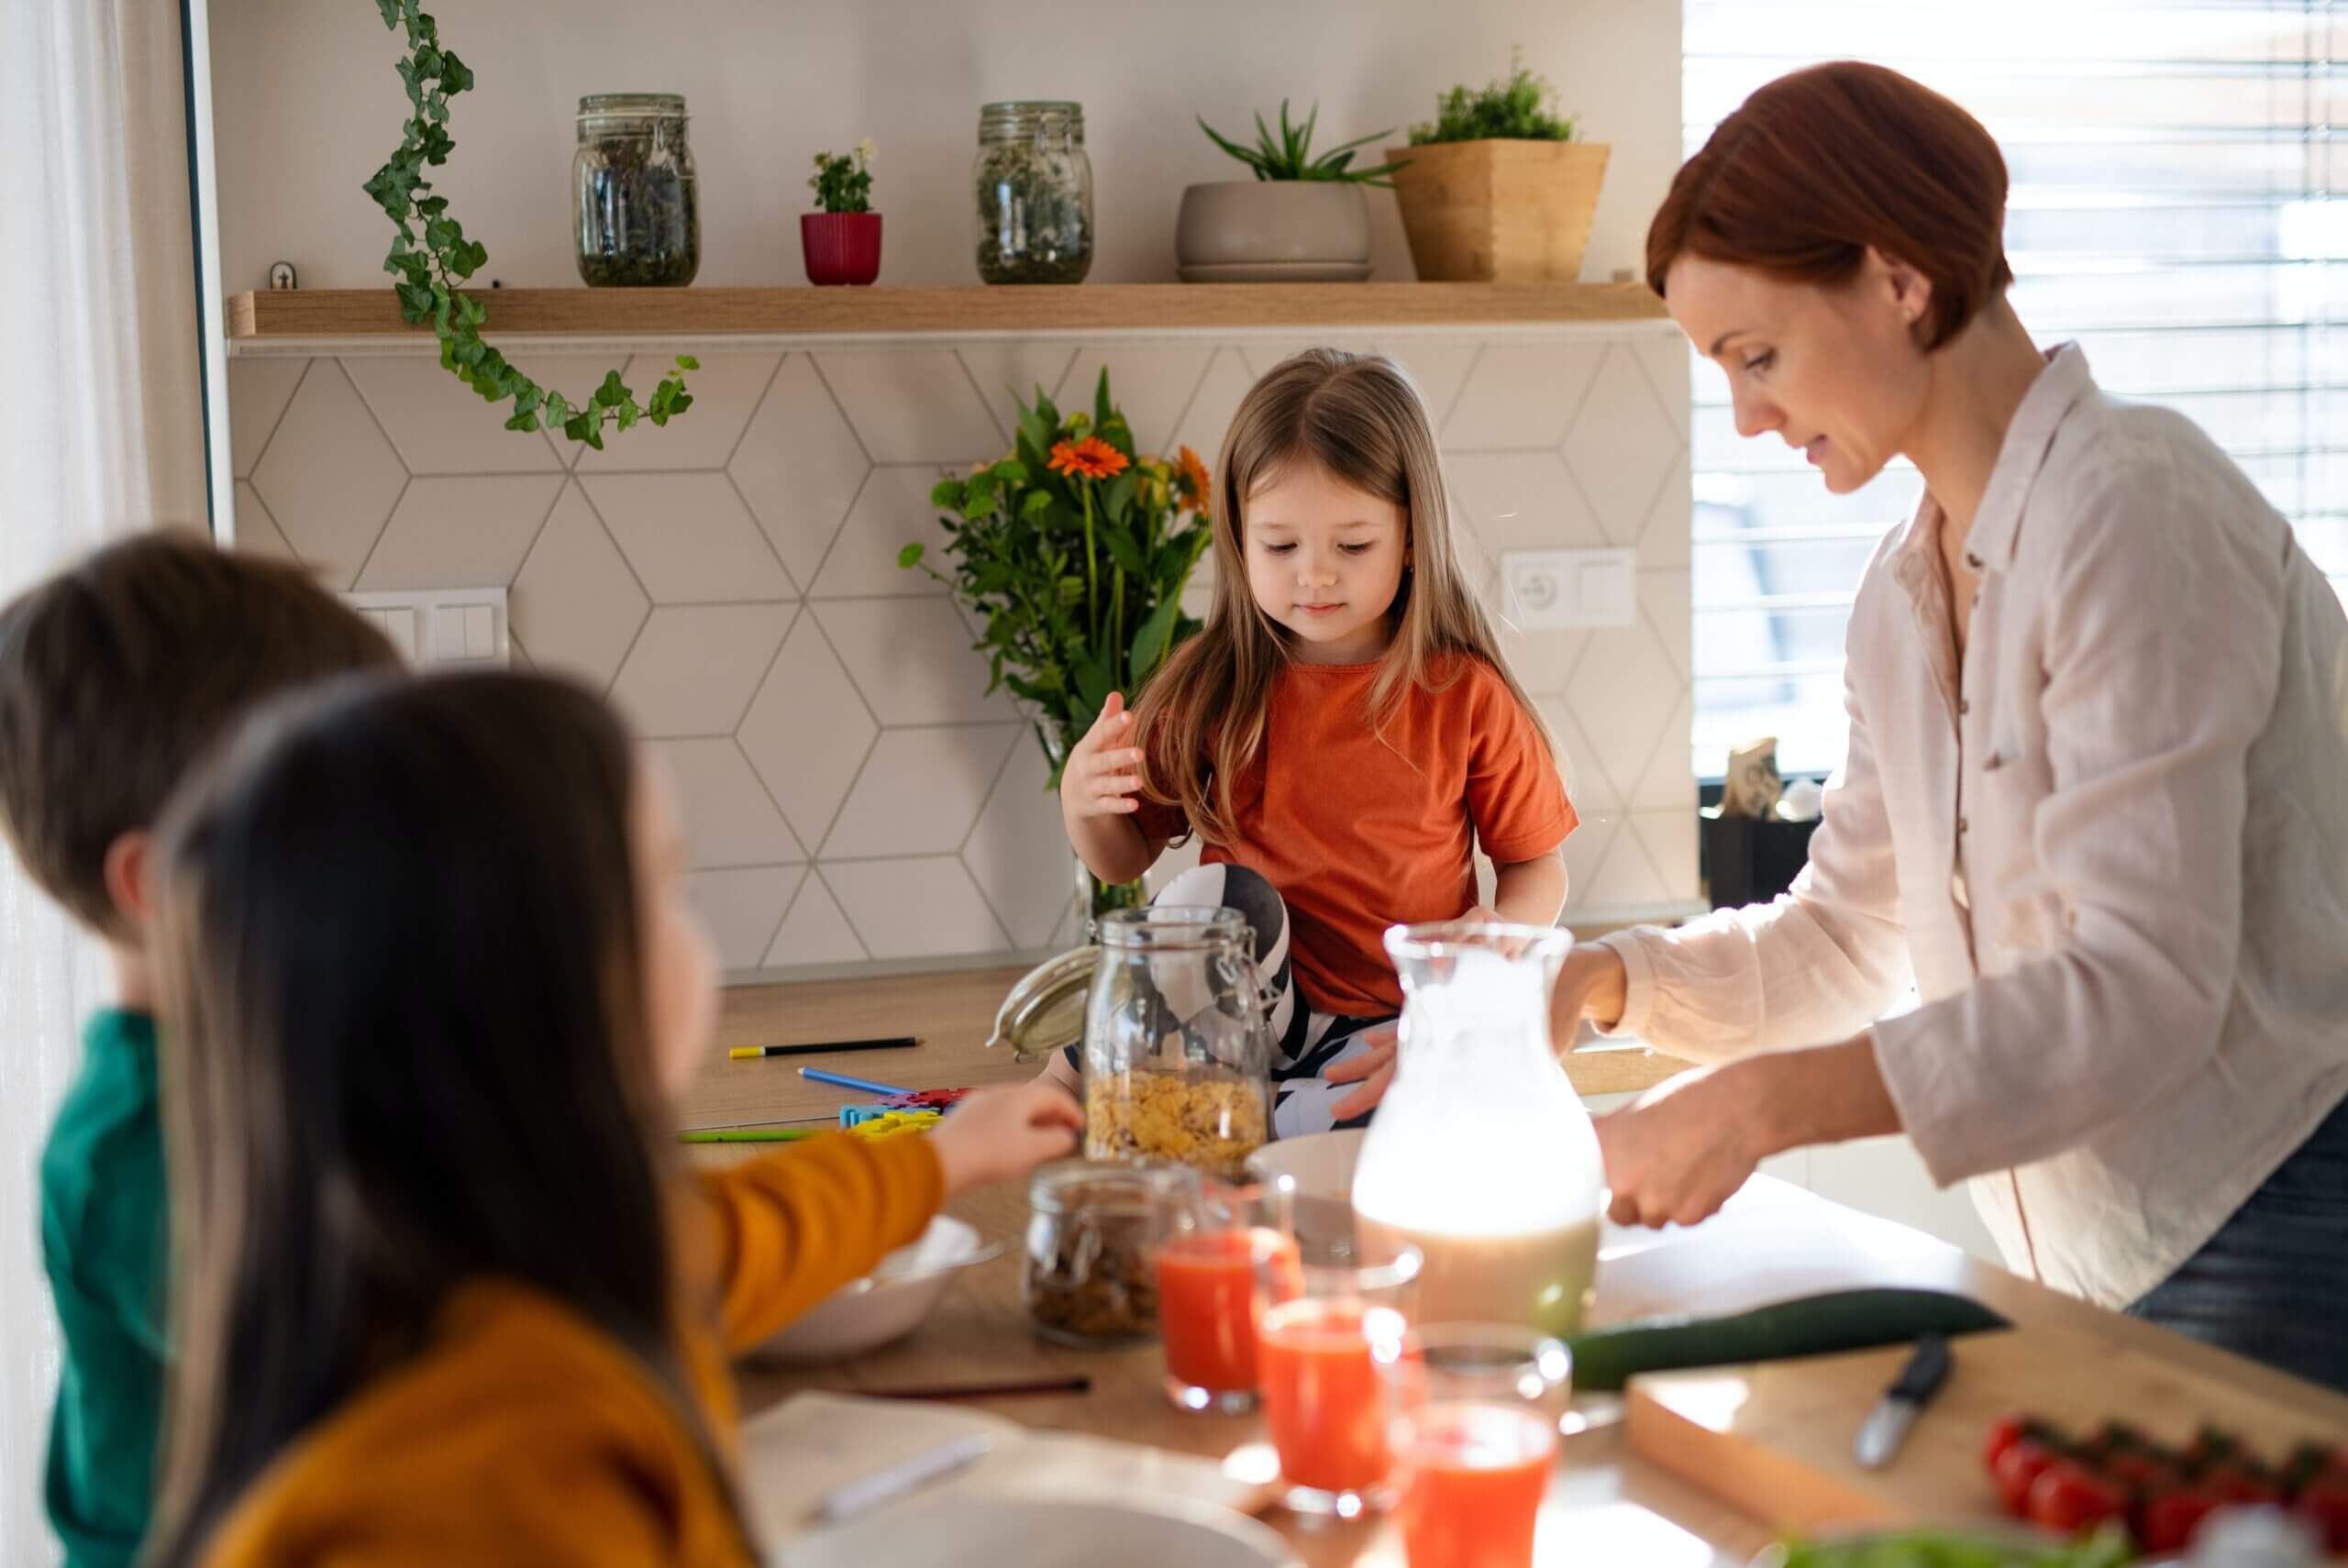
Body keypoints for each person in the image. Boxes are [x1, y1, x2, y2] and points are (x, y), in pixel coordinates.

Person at [1558, 61, 2348, 1390]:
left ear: (1900, 280)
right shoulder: (1900, 596)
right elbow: (1844, 939)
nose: (1746, 416)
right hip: (2094, 1260)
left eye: (1758, 356)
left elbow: (2142, 989)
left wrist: (1760, 1109)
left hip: (2285, 1220)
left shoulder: (2135, 513)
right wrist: (1603, 981)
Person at [138, 671, 1081, 1566]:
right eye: (670, 887)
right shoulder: (502, 1471)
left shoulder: (529, 1259)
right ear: (541, 982)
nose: (695, 923)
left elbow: (752, 1233)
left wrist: (944, 1161)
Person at [0, 535, 401, 1568]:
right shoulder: (137, 1152)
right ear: (161, 886)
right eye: (327, 825)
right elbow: (388, 1375)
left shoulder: (277, 1052)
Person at [1050, 348, 1576, 1136]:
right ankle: (1073, 1079)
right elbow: (1123, 861)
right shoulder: (1213, 683)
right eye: (1282, 547)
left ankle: (1255, 1118)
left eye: (1352, 547)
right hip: (1237, 1019)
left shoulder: (1464, 695)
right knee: (1217, 901)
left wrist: (1502, 934)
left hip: (1389, 1026)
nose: (1316, 577)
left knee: (1331, 1135)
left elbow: (1537, 867)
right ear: (1238, 538)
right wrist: (1079, 798)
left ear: (1410, 538)